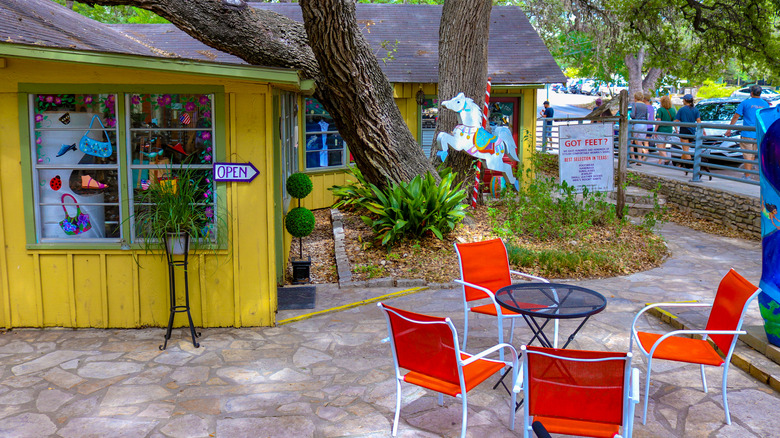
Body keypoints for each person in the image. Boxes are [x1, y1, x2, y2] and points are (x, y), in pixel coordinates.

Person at [725, 84, 769, 179]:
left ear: (751, 93)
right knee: (752, 154)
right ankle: (747, 174)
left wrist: (729, 129)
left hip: (747, 133)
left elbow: (736, 116)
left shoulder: (745, 103)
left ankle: (747, 175)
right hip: (760, 134)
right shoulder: (765, 104)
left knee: (747, 154)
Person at [673, 94, 703, 163]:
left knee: (685, 151)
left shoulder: (681, 110)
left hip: (684, 130)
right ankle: (681, 165)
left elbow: (676, 121)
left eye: (683, 99)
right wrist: (702, 130)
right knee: (686, 149)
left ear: (685, 100)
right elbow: (698, 120)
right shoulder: (695, 109)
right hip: (692, 131)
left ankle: (690, 166)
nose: (682, 101)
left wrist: (673, 123)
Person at [655, 95, 677, 165]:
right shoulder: (673, 110)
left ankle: (666, 158)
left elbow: (658, 120)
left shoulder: (660, 110)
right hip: (669, 130)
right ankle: (660, 162)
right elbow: (674, 121)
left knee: (659, 147)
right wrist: (676, 130)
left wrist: (655, 130)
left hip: (661, 130)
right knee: (663, 147)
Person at [630, 91, 648, 163]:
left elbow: (633, 115)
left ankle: (632, 158)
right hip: (644, 124)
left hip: (636, 123)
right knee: (640, 143)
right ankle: (639, 160)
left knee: (631, 141)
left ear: (635, 98)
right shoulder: (645, 105)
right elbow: (647, 116)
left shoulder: (634, 104)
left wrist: (631, 115)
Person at [643, 92, 656, 159]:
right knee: (646, 141)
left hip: (645, 126)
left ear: (644, 99)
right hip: (650, 126)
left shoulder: (645, 107)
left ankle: (645, 153)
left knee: (639, 141)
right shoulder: (652, 107)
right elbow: (653, 118)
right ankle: (645, 152)